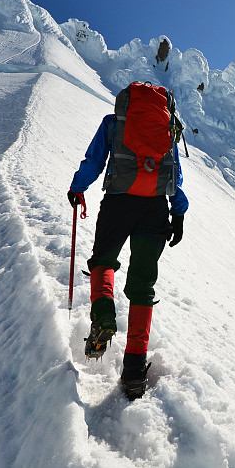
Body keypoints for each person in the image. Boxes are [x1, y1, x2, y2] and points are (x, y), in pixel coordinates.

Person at [68, 84, 188, 400]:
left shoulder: (113, 123)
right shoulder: (167, 130)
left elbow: (94, 161)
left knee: (103, 261)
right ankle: (134, 370)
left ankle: (104, 315)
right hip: (155, 209)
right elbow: (174, 173)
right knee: (142, 285)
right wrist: (178, 212)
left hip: (118, 203)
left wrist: (77, 187)